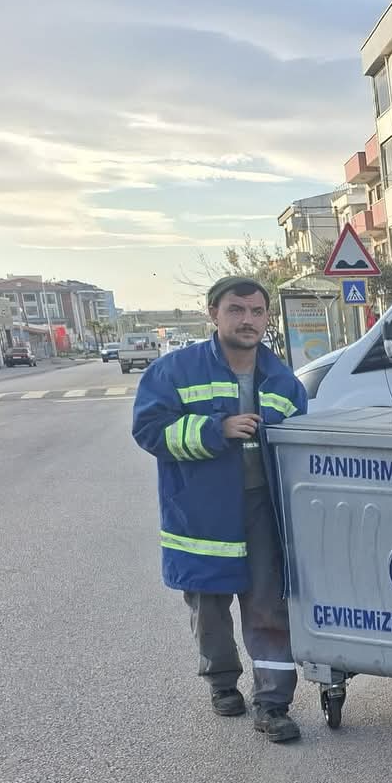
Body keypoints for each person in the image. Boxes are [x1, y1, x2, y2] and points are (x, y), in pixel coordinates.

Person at [132, 277, 309, 743]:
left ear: (267, 319)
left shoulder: (283, 380)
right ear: (214, 313)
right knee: (209, 606)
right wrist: (217, 429)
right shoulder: (174, 371)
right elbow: (150, 431)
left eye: (256, 311)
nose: (247, 319)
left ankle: (272, 703)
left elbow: (304, 446)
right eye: (236, 310)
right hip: (202, 512)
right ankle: (222, 682)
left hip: (263, 511)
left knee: (269, 607)